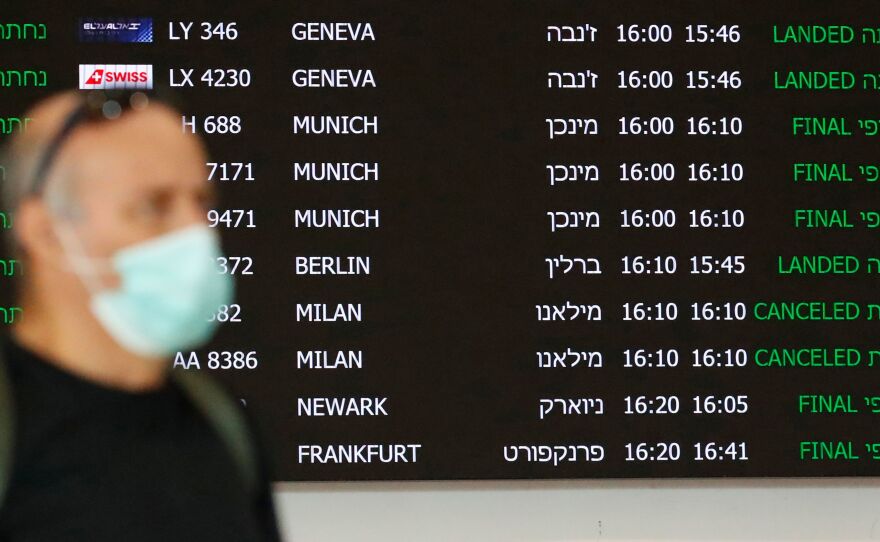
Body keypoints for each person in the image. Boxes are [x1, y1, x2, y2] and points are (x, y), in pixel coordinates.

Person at [0, 89, 282, 541]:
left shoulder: (222, 425)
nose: (196, 233)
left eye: (202, 204)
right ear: (47, 233)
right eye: (153, 207)